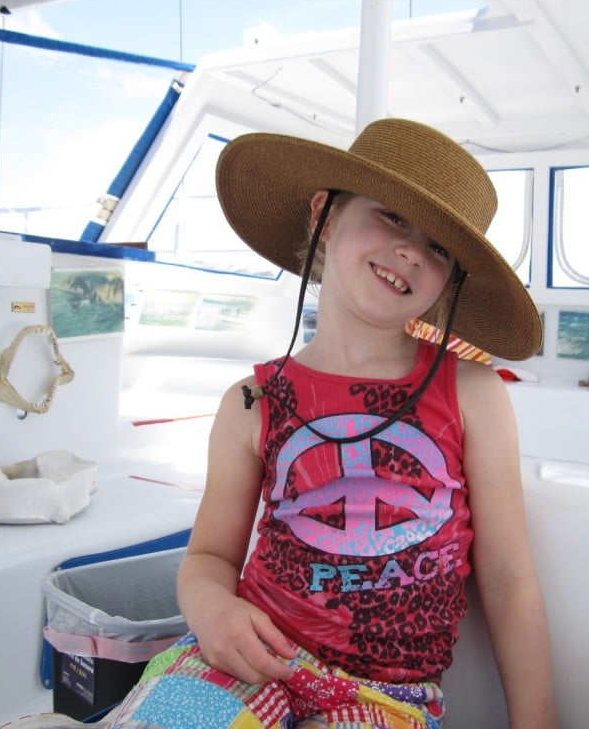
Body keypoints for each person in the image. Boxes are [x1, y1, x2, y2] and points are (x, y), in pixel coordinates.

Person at [91, 118, 554, 729]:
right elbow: (208, 555)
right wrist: (210, 610)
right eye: (390, 216)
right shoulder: (252, 400)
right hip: (251, 659)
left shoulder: (473, 393)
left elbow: (507, 578)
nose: (412, 250)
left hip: (388, 698)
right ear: (326, 216)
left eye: (438, 248)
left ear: (447, 284)